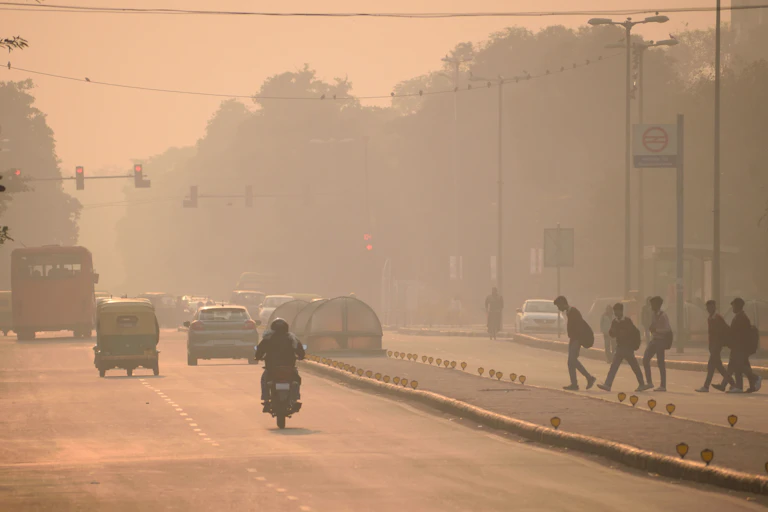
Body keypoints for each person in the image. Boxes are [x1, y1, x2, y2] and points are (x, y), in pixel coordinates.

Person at [254, 318, 305, 412]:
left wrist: (257, 357)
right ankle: (295, 399)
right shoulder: (292, 338)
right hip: (289, 368)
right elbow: (300, 351)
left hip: (272, 368)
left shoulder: (268, 338)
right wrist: (301, 357)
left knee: (264, 380)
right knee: (296, 380)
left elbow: (260, 350)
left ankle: (266, 400)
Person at [597, 303, 649, 392]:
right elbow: (612, 334)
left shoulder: (627, 321)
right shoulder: (615, 321)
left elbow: (634, 333)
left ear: (621, 311)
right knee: (614, 366)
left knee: (635, 366)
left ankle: (642, 384)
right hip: (620, 347)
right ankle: (608, 384)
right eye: (614, 311)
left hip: (628, 348)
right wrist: (612, 332)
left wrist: (634, 345)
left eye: (616, 311)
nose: (615, 313)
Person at [717, 298, 762, 393]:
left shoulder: (741, 318)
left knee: (738, 366)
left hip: (740, 347)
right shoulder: (739, 317)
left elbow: (739, 334)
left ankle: (755, 378)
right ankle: (737, 386)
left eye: (733, 305)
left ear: (738, 306)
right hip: (738, 346)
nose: (732, 307)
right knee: (737, 366)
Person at [554, 295, 596, 391]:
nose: (559, 308)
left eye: (558, 306)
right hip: (574, 339)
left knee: (572, 360)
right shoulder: (570, 312)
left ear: (562, 303)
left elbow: (579, 327)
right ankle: (575, 383)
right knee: (571, 362)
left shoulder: (573, 312)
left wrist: (576, 340)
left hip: (576, 339)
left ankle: (588, 378)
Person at [696, 300, 735, 392]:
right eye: (707, 307)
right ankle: (732, 383)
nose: (709, 309)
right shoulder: (710, 318)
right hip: (713, 346)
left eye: (710, 307)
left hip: (717, 346)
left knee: (712, 366)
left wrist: (719, 344)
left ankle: (706, 386)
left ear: (714, 307)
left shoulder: (718, 318)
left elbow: (723, 331)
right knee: (716, 367)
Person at [643, 296, 672, 392]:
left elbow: (667, 329)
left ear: (657, 305)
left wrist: (656, 330)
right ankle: (649, 382)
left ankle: (663, 386)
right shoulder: (653, 314)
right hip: (654, 340)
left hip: (660, 341)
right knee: (645, 359)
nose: (651, 306)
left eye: (652, 304)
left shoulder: (663, 316)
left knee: (660, 362)